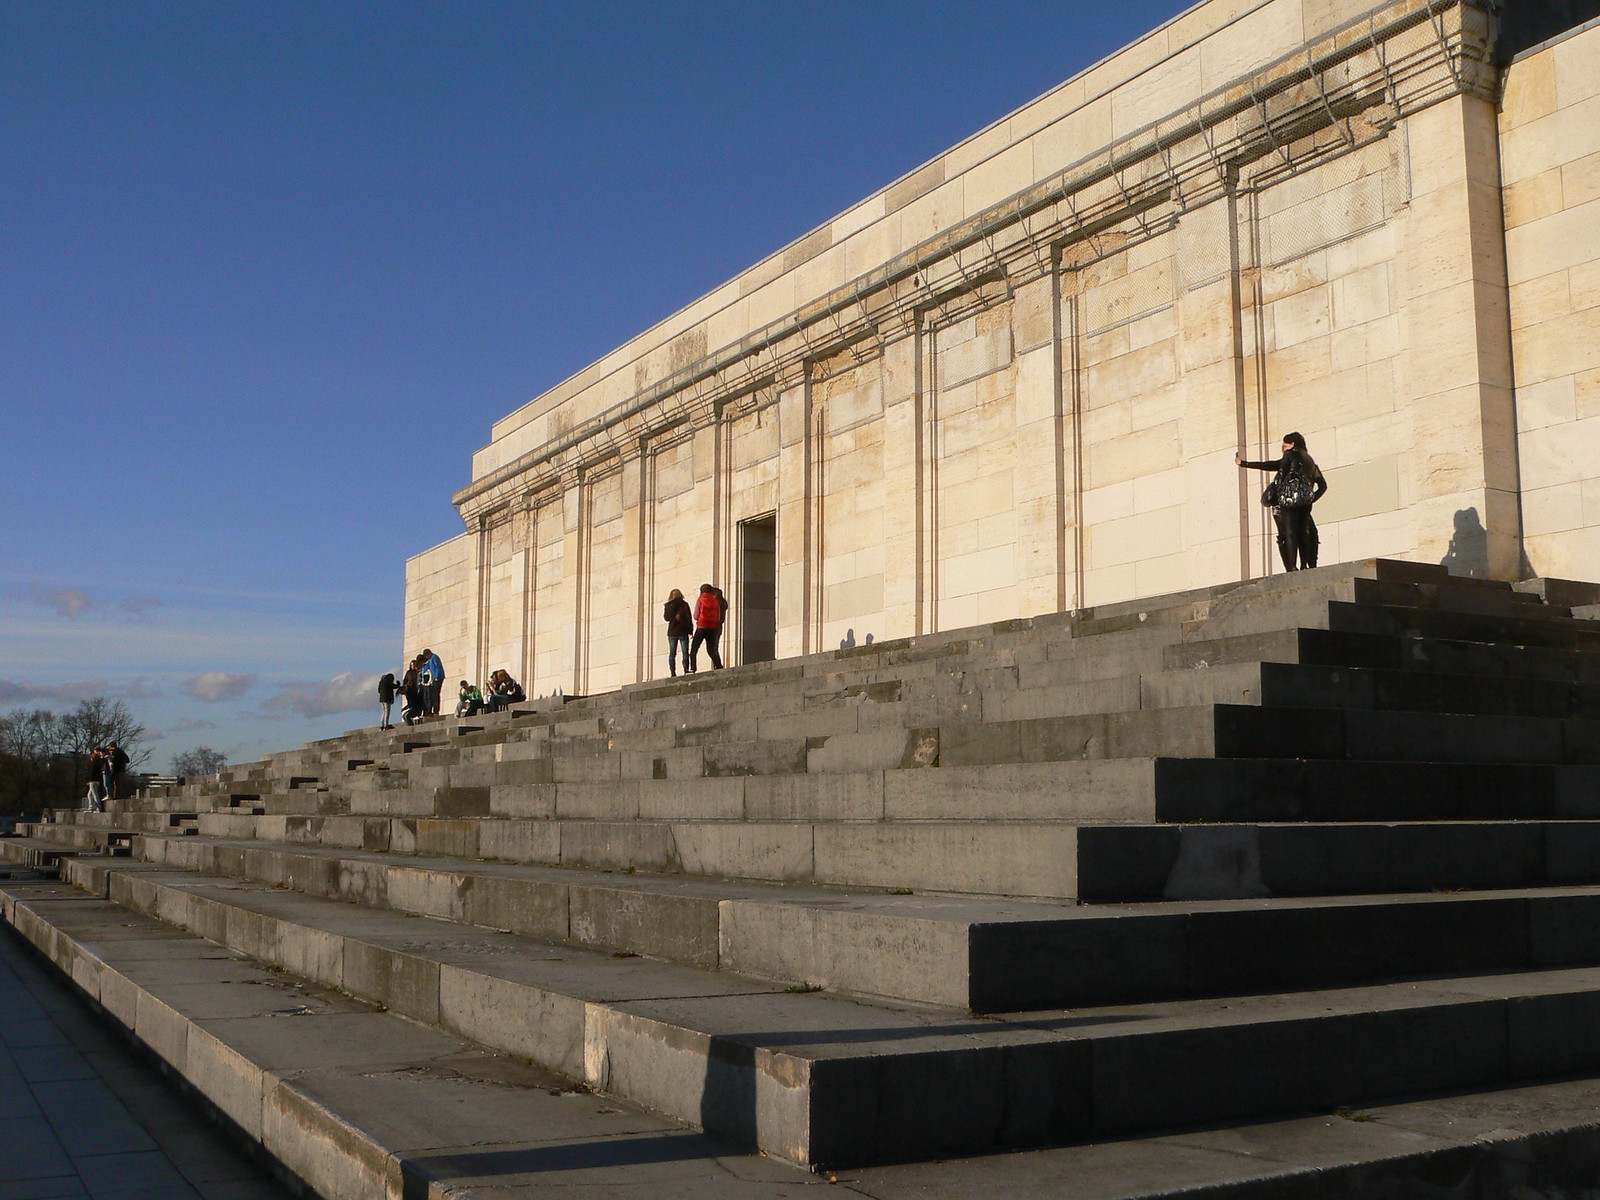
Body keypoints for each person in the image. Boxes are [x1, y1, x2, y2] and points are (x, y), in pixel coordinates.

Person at [1237, 432, 1328, 571]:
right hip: (1303, 504)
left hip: (1284, 504)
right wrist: (1310, 499)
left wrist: (1244, 463)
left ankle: (1291, 568)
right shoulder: (1310, 463)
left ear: (1292, 444)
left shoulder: (1290, 455)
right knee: (1308, 533)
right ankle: (1308, 565)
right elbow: (1323, 486)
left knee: (1287, 535)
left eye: (1285, 445)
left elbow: (1272, 465)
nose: (1284, 448)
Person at [688, 583, 725, 672]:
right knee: (711, 649)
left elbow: (696, 616)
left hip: (702, 627)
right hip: (712, 627)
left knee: (694, 649)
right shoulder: (716, 601)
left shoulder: (700, 600)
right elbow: (718, 616)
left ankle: (693, 668)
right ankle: (719, 665)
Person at [663, 588, 693, 676]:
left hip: (672, 632)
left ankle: (673, 672)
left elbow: (666, 618)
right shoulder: (684, 605)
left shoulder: (668, 605)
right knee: (685, 651)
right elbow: (688, 618)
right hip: (683, 631)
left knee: (672, 652)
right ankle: (686, 669)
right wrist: (690, 630)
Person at [401, 657, 425, 726]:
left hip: (416, 690)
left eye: (414, 665)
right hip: (411, 689)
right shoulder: (409, 673)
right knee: (406, 715)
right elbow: (405, 680)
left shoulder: (418, 672)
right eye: (412, 665)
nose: (413, 666)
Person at [421, 648, 445, 716]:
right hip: (434, 679)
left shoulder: (434, 657)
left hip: (438, 678)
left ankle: (436, 710)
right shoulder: (430, 659)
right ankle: (433, 710)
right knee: (433, 695)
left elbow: (438, 667)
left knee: (435, 694)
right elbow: (427, 667)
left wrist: (437, 676)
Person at [86, 746, 106, 811]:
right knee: (90, 795)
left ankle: (98, 807)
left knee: (95, 795)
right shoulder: (98, 764)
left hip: (93, 781)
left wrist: (89, 781)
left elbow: (92, 773)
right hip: (96, 781)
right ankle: (91, 807)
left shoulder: (93, 764)